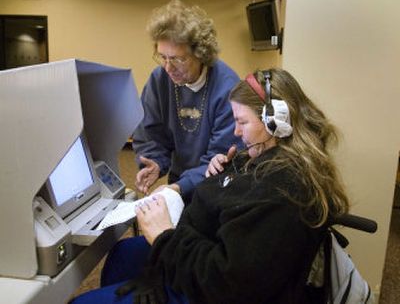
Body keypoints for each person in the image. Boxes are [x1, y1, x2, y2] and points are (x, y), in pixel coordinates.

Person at [70, 68, 350, 304]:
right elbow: (240, 202)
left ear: (276, 123)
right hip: (202, 245)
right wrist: (226, 172)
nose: (236, 133)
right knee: (122, 254)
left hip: (212, 286)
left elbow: (226, 282)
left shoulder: (281, 191)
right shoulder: (268, 158)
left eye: (241, 122)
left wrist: (165, 236)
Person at [132, 0, 242, 201]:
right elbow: (150, 133)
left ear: (201, 53)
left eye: (177, 59)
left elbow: (221, 158)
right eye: (162, 57)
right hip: (178, 179)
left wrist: (177, 188)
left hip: (214, 186)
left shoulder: (228, 87)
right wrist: (155, 162)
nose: (168, 67)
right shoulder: (159, 79)